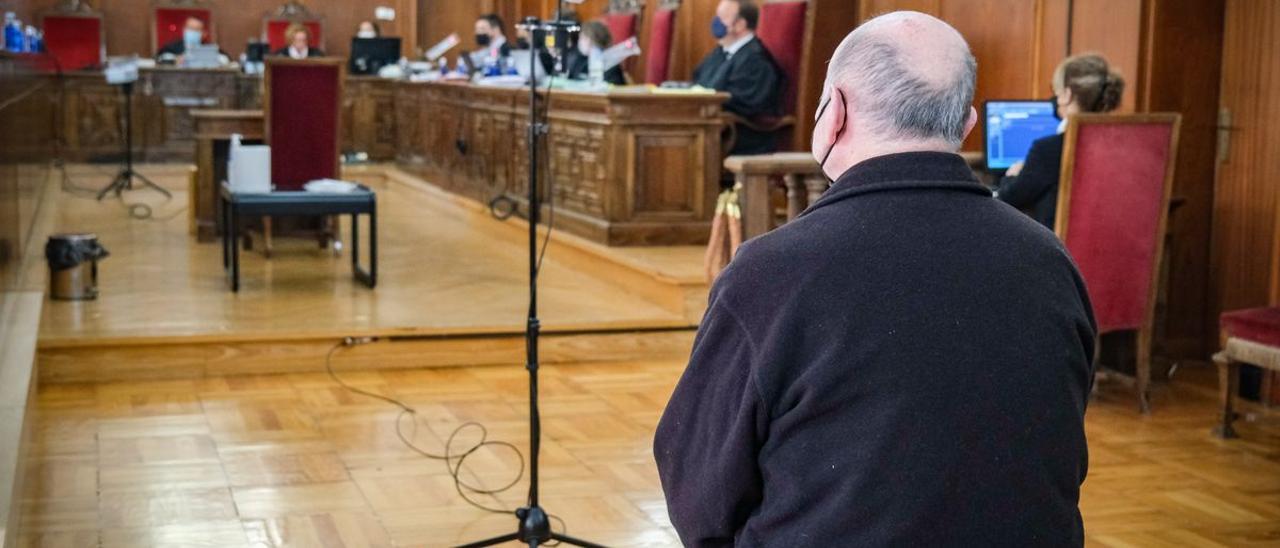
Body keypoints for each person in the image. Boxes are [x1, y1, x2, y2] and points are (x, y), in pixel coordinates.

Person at [655, 10, 1097, 547]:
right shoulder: (1051, 260)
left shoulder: (771, 274)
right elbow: (1060, 461)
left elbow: (700, 500)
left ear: (833, 112)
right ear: (964, 126)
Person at [995, 54, 1126, 228]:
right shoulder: (1124, 146)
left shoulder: (1048, 150)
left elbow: (1009, 198)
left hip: (1059, 252)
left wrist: (1011, 176)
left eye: (1057, 92)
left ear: (1067, 95)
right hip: (1118, 247)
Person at [692, 0, 783, 155]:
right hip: (711, 126)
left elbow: (744, 104)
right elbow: (699, 81)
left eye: (722, 17)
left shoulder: (755, 59)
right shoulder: (721, 52)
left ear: (740, 24)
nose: (716, 22)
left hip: (741, 135)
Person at [565, 21, 627, 86]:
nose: (579, 41)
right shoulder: (579, 60)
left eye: (582, 38)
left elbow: (614, 90)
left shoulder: (611, 65)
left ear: (591, 40)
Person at [155, 16, 228, 65]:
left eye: (195, 30)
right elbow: (159, 59)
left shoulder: (210, 48)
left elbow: (226, 60)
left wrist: (208, 59)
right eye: (189, 28)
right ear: (184, 30)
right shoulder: (171, 47)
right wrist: (175, 60)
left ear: (204, 33)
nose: (192, 32)